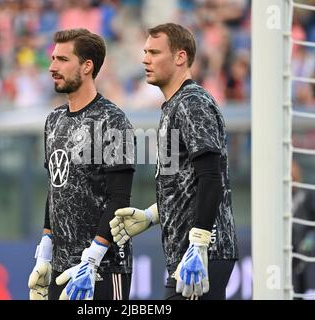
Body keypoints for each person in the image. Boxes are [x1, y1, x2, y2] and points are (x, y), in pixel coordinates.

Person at [110, 23, 239, 300]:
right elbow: (185, 184)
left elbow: (211, 177)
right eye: (145, 52)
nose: (145, 59)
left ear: (180, 57)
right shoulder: (173, 106)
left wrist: (200, 243)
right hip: (187, 253)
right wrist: (151, 216)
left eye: (154, 52)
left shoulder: (193, 102)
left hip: (204, 252)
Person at [27, 28, 135, 301]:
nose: (52, 67)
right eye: (53, 58)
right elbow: (56, 188)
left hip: (104, 266)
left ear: (87, 66)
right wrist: (46, 250)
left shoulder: (112, 120)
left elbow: (119, 198)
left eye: (62, 59)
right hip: (61, 268)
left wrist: (94, 256)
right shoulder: (53, 120)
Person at [291, 160, 315, 296]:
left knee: (300, 279)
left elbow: (314, 218)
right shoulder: (281, 196)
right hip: (287, 244)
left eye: (294, 173)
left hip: (302, 244)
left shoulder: (307, 195)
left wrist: (309, 238)